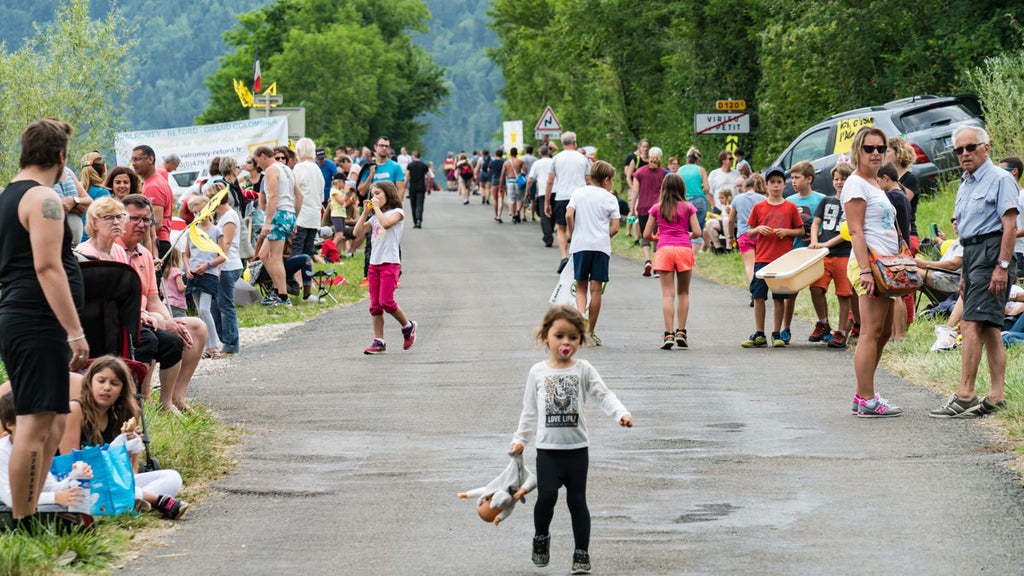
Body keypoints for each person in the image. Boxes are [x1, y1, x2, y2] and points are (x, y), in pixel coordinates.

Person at [0, 118, 88, 524]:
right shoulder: (43, 200)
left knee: (53, 420)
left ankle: (34, 511)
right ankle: (22, 521)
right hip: (36, 321)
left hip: (27, 319)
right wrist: (75, 332)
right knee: (34, 425)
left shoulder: (7, 196)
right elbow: (48, 268)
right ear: (60, 157)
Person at [511, 305, 632, 574]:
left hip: (577, 450)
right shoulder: (537, 372)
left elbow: (603, 395)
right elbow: (529, 411)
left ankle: (581, 553)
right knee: (547, 497)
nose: (566, 342)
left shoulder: (583, 369)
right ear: (546, 337)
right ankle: (541, 537)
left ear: (581, 339)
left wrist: (620, 413)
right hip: (548, 451)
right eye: (559, 336)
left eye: (573, 337)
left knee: (577, 501)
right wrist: (520, 440)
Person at [929, 126, 1019, 418]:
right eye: (959, 150)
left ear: (986, 147)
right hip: (972, 254)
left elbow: (1009, 227)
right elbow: (969, 232)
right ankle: (996, 396)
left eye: (970, 147)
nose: (964, 154)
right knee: (990, 328)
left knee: (969, 325)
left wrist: (1002, 266)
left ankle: (965, 394)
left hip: (993, 254)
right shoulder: (966, 182)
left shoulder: (1001, 179)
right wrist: (966, 273)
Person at [57, 356, 189, 519]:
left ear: (121, 390)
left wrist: (130, 447)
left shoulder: (121, 416)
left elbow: (127, 474)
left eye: (114, 383)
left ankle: (128, 501)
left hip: (110, 484)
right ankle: (155, 500)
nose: (106, 388)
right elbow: (69, 464)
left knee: (172, 477)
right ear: (89, 383)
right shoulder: (75, 410)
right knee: (111, 485)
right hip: (75, 483)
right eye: (101, 381)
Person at [119, 194, 207, 413]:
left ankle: (175, 398)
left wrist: (171, 321)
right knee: (157, 324)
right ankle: (146, 396)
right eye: (134, 219)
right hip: (126, 319)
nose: (141, 225)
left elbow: (153, 299)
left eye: (146, 220)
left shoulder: (145, 254)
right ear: (120, 219)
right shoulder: (113, 250)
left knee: (197, 327)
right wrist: (160, 319)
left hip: (149, 314)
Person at [842, 126, 903, 417]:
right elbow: (855, 231)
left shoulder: (874, 183)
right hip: (870, 266)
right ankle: (866, 399)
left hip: (886, 267)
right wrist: (865, 270)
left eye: (880, 147)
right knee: (870, 332)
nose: (876, 153)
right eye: (869, 148)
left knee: (885, 331)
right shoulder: (856, 184)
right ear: (858, 151)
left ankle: (862, 393)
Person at [1, 391, 94, 526]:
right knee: (51, 507)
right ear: (10, 424)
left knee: (63, 506)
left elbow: (49, 487)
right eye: (32, 420)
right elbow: (11, 500)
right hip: (6, 506)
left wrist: (74, 477)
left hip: (25, 504)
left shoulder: (38, 448)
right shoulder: (3, 451)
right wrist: (56, 498)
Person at [742, 166, 803, 349]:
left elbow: (800, 231)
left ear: (784, 184)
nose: (775, 186)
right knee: (758, 295)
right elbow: (749, 233)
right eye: (772, 182)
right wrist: (758, 229)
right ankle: (759, 333)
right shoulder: (759, 207)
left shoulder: (790, 207)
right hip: (762, 257)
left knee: (779, 297)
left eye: (779, 182)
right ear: (766, 185)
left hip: (783, 259)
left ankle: (776, 332)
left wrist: (788, 231)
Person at [353, 181, 417, 355]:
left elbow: (387, 224)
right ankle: (379, 340)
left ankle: (408, 325)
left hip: (390, 263)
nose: (374, 198)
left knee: (386, 301)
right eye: (372, 194)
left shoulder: (397, 213)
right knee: (375, 305)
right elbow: (356, 233)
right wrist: (365, 213)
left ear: (388, 194)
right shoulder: (374, 217)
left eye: (378, 194)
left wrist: (377, 210)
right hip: (374, 264)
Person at [566, 161, 620, 346]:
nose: (612, 183)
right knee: (596, 289)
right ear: (606, 180)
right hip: (600, 247)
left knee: (580, 286)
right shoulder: (610, 198)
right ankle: (590, 332)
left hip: (580, 245)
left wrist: (573, 232)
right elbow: (616, 227)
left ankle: (582, 316)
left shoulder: (579, 192)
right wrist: (605, 237)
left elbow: (568, 214)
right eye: (612, 180)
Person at [644, 173, 700, 349]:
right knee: (683, 293)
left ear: (664, 189)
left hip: (664, 249)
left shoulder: (657, 208)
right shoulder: (688, 207)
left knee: (668, 294)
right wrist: (688, 234)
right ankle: (681, 331)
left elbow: (646, 235)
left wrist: (657, 238)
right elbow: (697, 233)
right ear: (682, 189)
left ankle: (668, 334)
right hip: (684, 249)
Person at [808, 163, 856, 348]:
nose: (839, 182)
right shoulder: (826, 201)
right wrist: (814, 240)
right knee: (816, 288)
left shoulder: (852, 203)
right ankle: (823, 322)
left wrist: (827, 243)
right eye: (836, 179)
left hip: (843, 254)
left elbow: (848, 232)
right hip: (823, 255)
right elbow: (816, 222)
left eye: (843, 179)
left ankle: (842, 332)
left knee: (844, 294)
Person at [781, 160, 826, 343]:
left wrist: (818, 235)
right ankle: (785, 328)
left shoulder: (821, 199)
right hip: (794, 251)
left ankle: (824, 323)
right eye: (792, 178)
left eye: (797, 178)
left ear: (809, 179)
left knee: (817, 289)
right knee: (790, 292)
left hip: (813, 253)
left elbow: (824, 224)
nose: (793, 181)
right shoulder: (789, 201)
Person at [255, 145, 303, 306]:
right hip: (288, 214)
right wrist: (294, 218)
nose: (257, 165)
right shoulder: (288, 169)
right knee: (263, 254)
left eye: (257, 161)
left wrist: (267, 222)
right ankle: (276, 291)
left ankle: (283, 296)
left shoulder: (270, 170)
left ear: (262, 156)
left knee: (275, 258)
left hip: (279, 214)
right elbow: (300, 196)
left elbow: (273, 197)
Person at [877, 162, 914, 341]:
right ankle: (895, 332)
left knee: (896, 292)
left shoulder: (891, 196)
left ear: (885, 178)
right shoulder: (903, 194)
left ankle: (898, 334)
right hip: (903, 245)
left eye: (877, 180)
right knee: (898, 291)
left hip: (895, 248)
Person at [547, 132, 592, 273]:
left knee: (561, 228)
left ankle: (564, 256)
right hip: (580, 197)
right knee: (579, 227)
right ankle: (576, 256)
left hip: (562, 197)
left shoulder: (556, 158)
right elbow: (589, 180)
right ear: (575, 143)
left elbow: (550, 181)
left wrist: (547, 202)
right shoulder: (583, 159)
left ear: (562, 144)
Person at [131, 145, 174, 258]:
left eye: (137, 159)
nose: (133, 164)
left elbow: (157, 223)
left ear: (150, 159)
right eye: (132, 160)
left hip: (157, 243)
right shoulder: (154, 182)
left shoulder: (153, 186)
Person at [631, 147, 668, 276]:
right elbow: (666, 192)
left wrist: (632, 209)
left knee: (645, 235)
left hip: (643, 207)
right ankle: (657, 267)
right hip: (659, 208)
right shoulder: (664, 173)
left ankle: (647, 261)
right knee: (658, 236)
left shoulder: (639, 172)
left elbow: (635, 191)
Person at [293, 138, 327, 260]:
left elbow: (294, 192)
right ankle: (307, 278)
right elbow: (321, 197)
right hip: (314, 216)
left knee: (296, 252)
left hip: (301, 216)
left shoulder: (299, 168)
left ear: (298, 150)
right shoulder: (318, 170)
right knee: (308, 252)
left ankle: (297, 279)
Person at [731, 174, 767, 285]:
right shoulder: (764, 199)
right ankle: (761, 291)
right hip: (761, 234)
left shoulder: (737, 199)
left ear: (744, 187)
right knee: (761, 264)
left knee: (749, 265)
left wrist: (730, 236)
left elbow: (730, 220)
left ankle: (754, 291)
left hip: (744, 235)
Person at [678, 147, 712, 244]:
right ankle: (693, 255)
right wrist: (701, 192)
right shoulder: (701, 170)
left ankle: (684, 250)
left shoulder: (680, 170)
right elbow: (707, 188)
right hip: (699, 200)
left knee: (683, 227)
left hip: (683, 200)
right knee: (697, 229)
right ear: (697, 160)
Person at [998, 156, 1024, 280]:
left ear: (1014, 171)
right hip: (1007, 252)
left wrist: (1010, 235)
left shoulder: (1022, 196)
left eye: (1003, 170)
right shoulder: (1003, 197)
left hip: (1021, 251)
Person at [528, 146, 556, 248]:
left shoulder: (537, 163)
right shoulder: (554, 161)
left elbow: (530, 179)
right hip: (555, 190)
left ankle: (548, 237)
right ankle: (550, 232)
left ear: (540, 154)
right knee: (553, 214)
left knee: (544, 215)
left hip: (543, 192)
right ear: (549, 153)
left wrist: (528, 192)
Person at [500, 147, 526, 223]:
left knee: (511, 199)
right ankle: (518, 211)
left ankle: (513, 215)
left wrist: (501, 185)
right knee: (520, 199)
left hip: (510, 182)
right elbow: (525, 171)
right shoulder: (520, 161)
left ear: (510, 154)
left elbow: (502, 175)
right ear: (517, 153)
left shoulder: (506, 163)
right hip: (518, 182)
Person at [162, 246, 188, 319]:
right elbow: (181, 287)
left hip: (166, 302)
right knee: (184, 324)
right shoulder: (176, 271)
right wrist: (189, 286)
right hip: (177, 304)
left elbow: (161, 288)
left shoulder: (165, 272)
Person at [406, 150, 429, 228]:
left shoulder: (410, 165)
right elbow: (429, 176)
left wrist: (404, 186)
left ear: (413, 156)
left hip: (412, 187)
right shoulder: (424, 165)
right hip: (421, 187)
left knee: (413, 205)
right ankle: (419, 220)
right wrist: (428, 187)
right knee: (420, 204)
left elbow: (406, 176)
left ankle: (415, 221)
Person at [488, 149, 506, 220]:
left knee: (495, 199)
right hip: (502, 183)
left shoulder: (492, 162)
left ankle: (496, 215)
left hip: (494, 182)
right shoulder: (504, 162)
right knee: (501, 198)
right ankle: (499, 215)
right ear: (502, 155)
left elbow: (488, 170)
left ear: (495, 154)